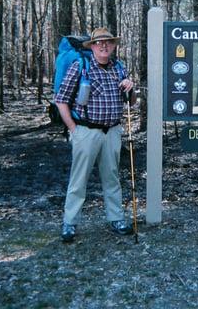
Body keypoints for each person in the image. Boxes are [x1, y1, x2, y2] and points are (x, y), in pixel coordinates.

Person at [54, 27, 136, 243]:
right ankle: (69, 223)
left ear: (113, 45)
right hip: (86, 131)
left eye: (107, 42)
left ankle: (116, 219)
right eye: (99, 43)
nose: (104, 46)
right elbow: (61, 100)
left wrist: (131, 88)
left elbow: (131, 102)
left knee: (112, 177)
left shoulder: (119, 69)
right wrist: (74, 129)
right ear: (92, 46)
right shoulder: (80, 67)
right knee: (78, 180)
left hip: (112, 131)